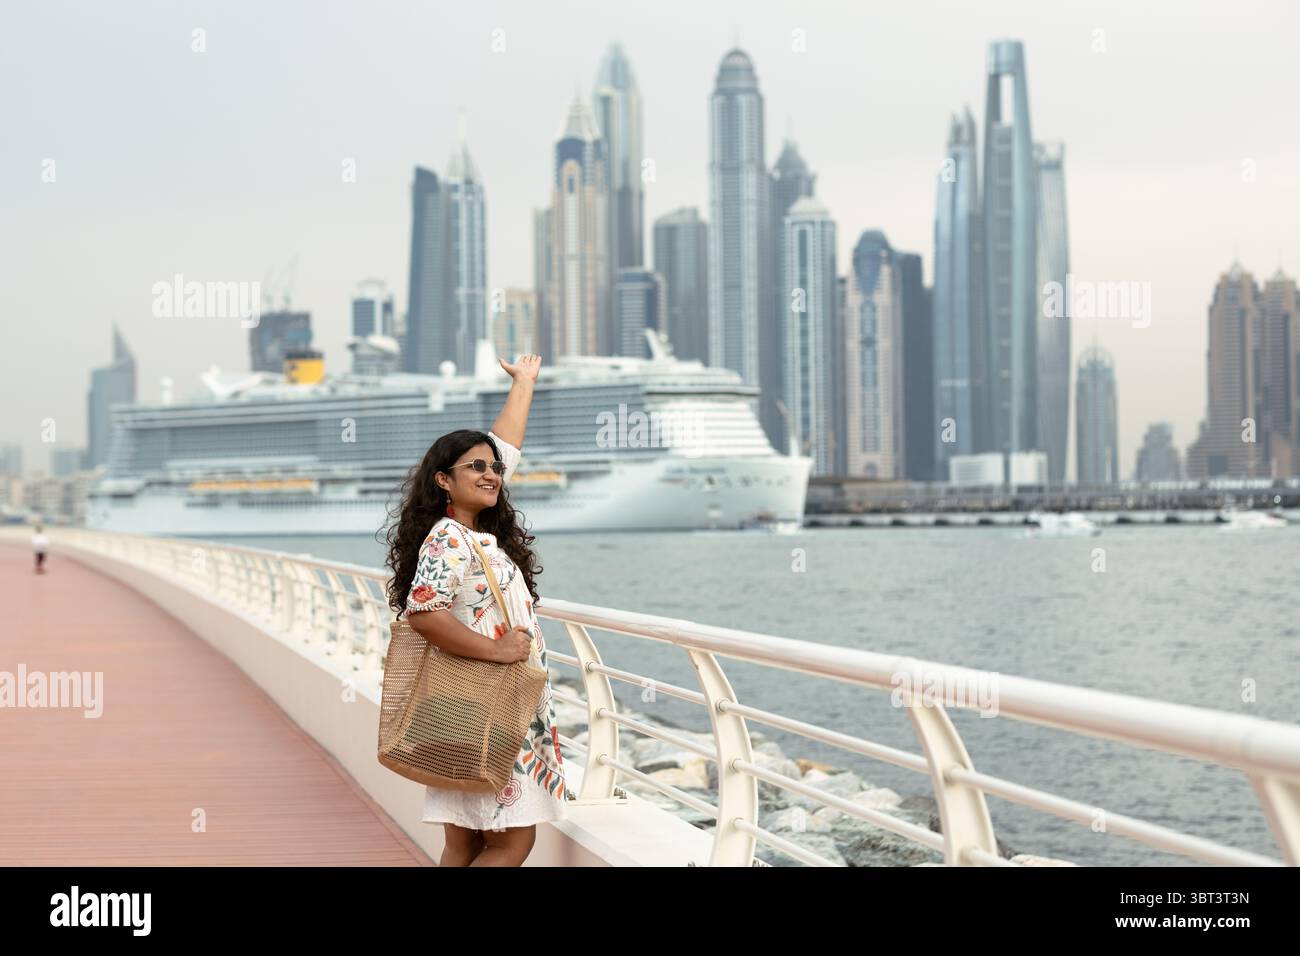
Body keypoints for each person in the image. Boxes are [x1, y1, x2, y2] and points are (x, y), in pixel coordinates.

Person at [384, 353, 568, 867]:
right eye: (476, 467)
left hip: (463, 707)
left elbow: (504, 449)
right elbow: (424, 612)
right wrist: (497, 649)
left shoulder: (471, 536)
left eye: (494, 468)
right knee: (513, 841)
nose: (491, 475)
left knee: (464, 840)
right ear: (444, 480)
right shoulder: (450, 538)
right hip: (488, 707)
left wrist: (524, 384)